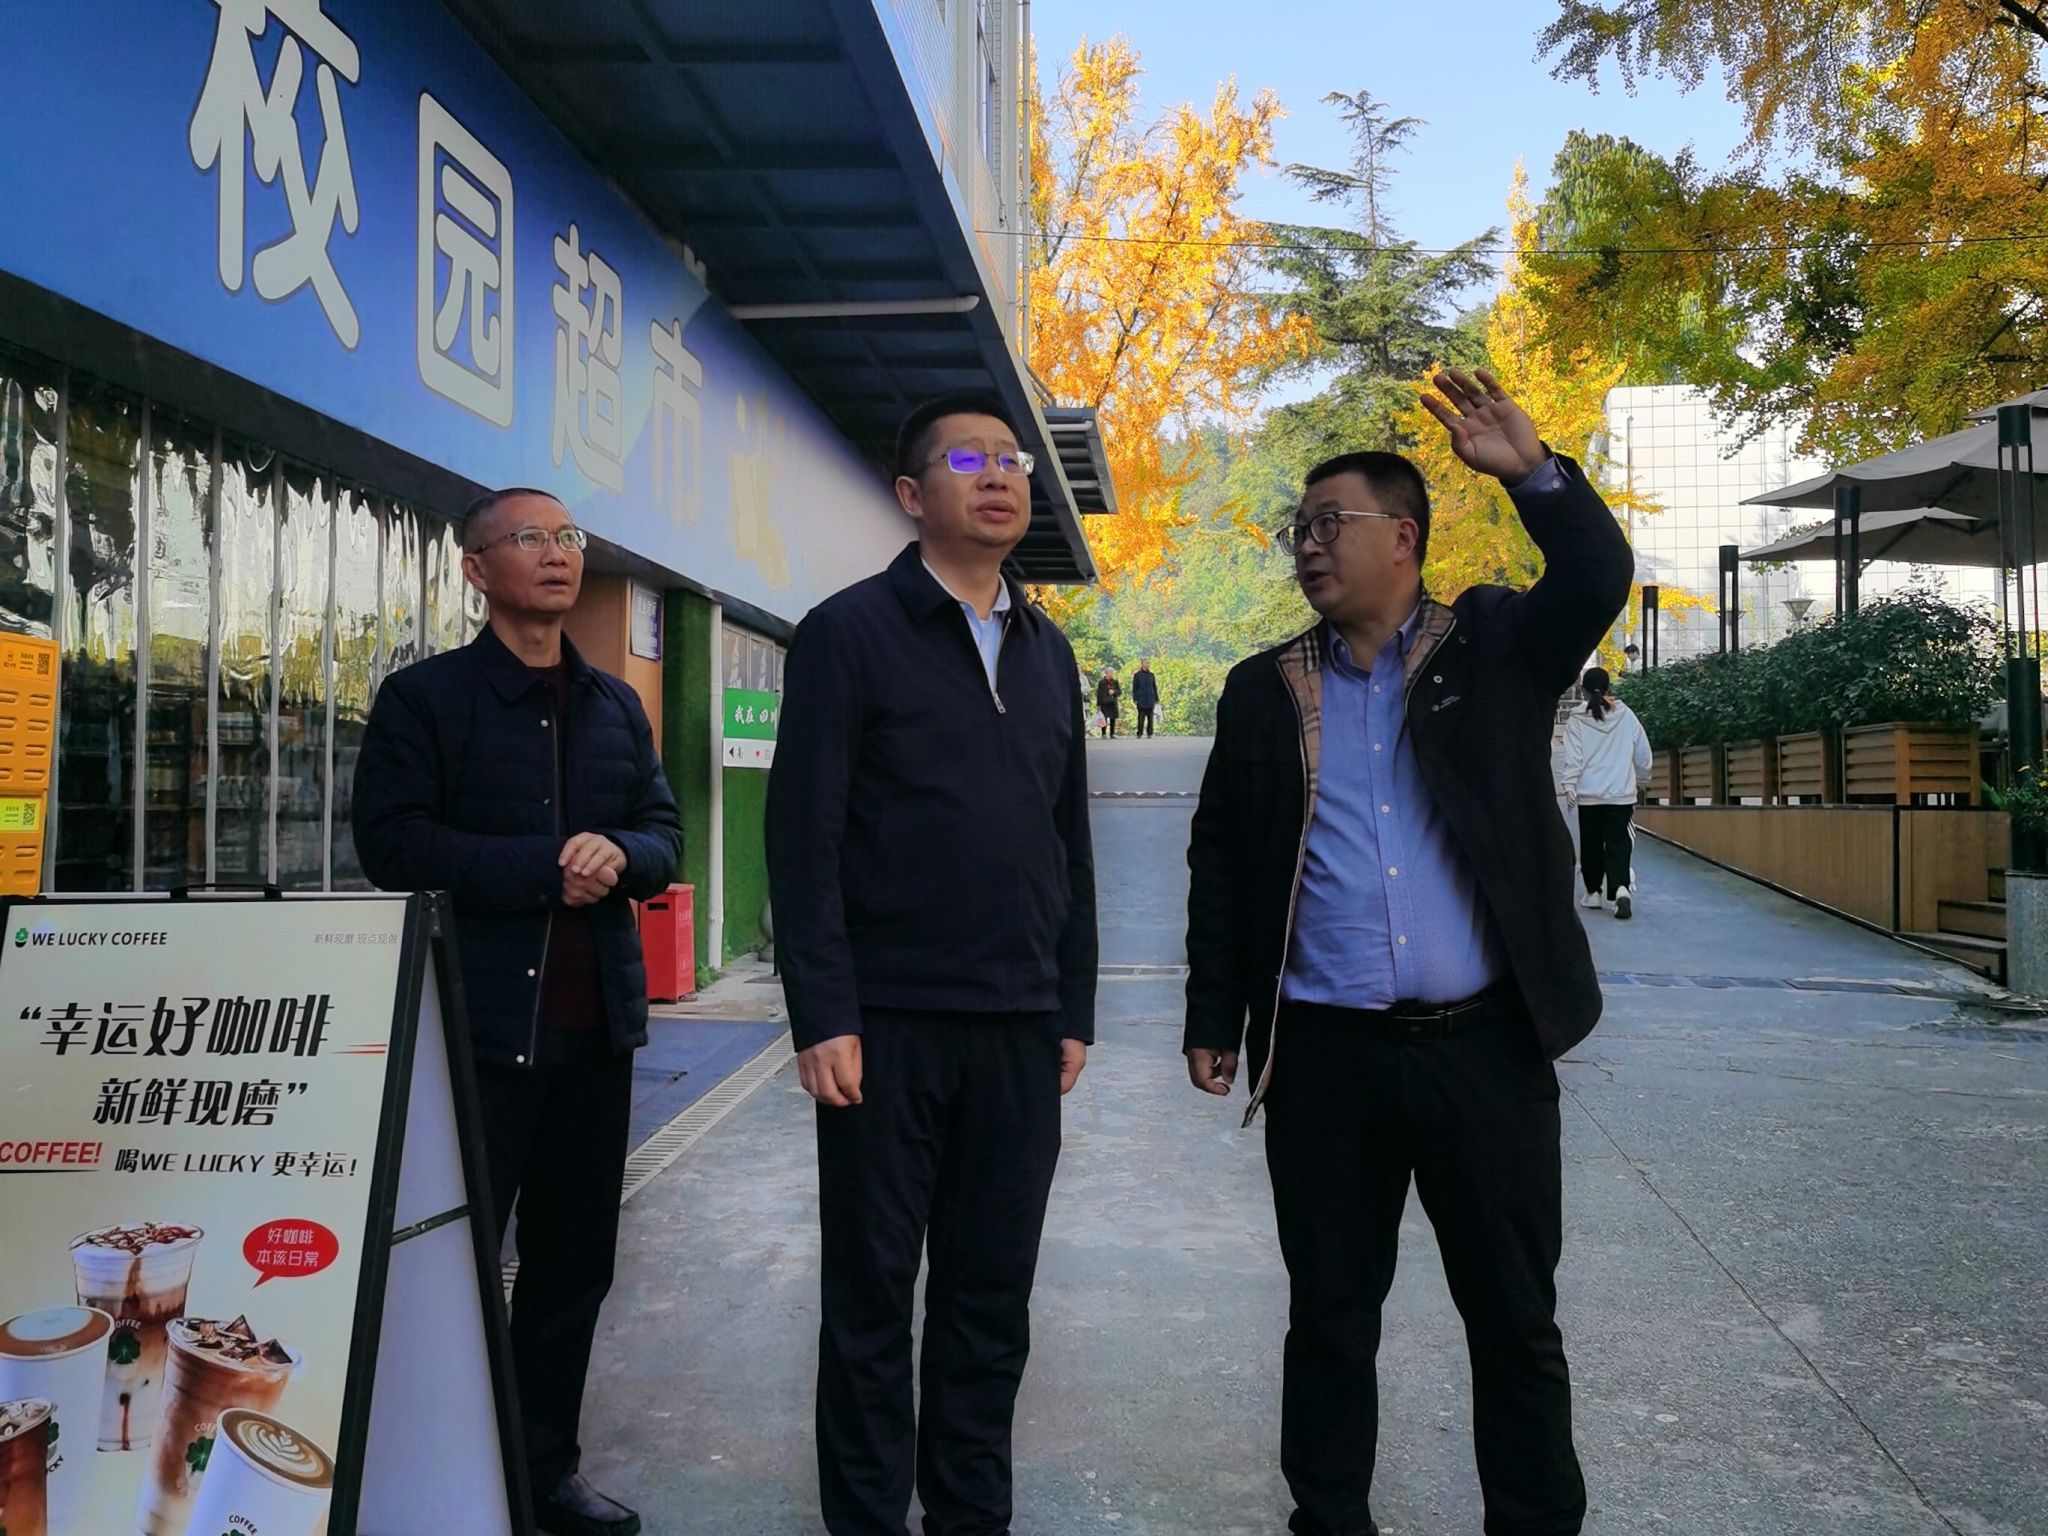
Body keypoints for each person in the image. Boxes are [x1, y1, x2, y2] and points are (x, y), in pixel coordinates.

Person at [1183, 367, 1631, 1536]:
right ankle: (1328, 1519)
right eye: (1297, 530)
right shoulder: (1261, 690)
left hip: (1484, 1052)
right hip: (1324, 1060)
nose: (1306, 547)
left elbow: (1595, 578)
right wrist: (1212, 1016)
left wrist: (1535, 477)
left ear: (1403, 538)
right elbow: (1222, 859)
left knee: (1513, 1321)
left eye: (1328, 524)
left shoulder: (1493, 647)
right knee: (1329, 1318)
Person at [766, 392, 1097, 1536]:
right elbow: (802, 836)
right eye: (967, 460)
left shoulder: (1048, 650)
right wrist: (822, 1010)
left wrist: (1071, 1003)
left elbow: (1067, 841)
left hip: (1018, 1026)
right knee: (869, 1300)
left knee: (987, 1301)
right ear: (912, 495)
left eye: (1011, 461)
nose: (997, 476)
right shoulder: (849, 632)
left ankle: (969, 1515)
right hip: (886, 1025)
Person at [353, 488, 683, 1536]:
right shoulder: (426, 701)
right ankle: (430, 1477)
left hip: (596, 1035)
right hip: (473, 1034)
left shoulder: (614, 704)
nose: (557, 553)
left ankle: (544, 1474)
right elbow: (392, 845)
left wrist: (622, 853)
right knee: (444, 1265)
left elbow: (664, 831)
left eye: (568, 537)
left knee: (573, 1266)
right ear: (476, 568)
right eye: (530, 538)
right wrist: (546, 868)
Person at [1559, 666, 1651, 920]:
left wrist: (1569, 786)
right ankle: (1620, 889)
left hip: (1589, 794)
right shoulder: (1626, 715)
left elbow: (1574, 759)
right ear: (1609, 687)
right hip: (1620, 794)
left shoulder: (1576, 720)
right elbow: (1642, 752)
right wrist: (1642, 776)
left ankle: (1593, 893)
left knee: (1591, 843)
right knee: (1618, 842)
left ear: (1583, 691)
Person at [1133, 659, 1160, 737]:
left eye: (1148, 663)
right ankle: (1139, 733)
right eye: (1146, 663)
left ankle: (1150, 733)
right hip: (1141, 699)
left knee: (1150, 718)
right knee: (1141, 718)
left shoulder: (1151, 675)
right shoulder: (1137, 675)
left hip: (1150, 699)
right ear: (1142, 664)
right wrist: (1135, 699)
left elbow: (1154, 687)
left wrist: (1156, 699)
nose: (1147, 664)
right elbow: (1134, 688)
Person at [1096, 668, 1122, 737]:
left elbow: (1119, 692)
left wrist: (1114, 691)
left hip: (1112, 702)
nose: (1112, 674)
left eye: (1113, 673)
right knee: (1104, 718)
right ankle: (1103, 733)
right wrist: (1098, 704)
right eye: (1111, 672)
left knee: (1113, 718)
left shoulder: (1115, 682)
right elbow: (1099, 693)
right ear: (1106, 673)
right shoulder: (1101, 682)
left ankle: (1112, 733)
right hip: (1104, 703)